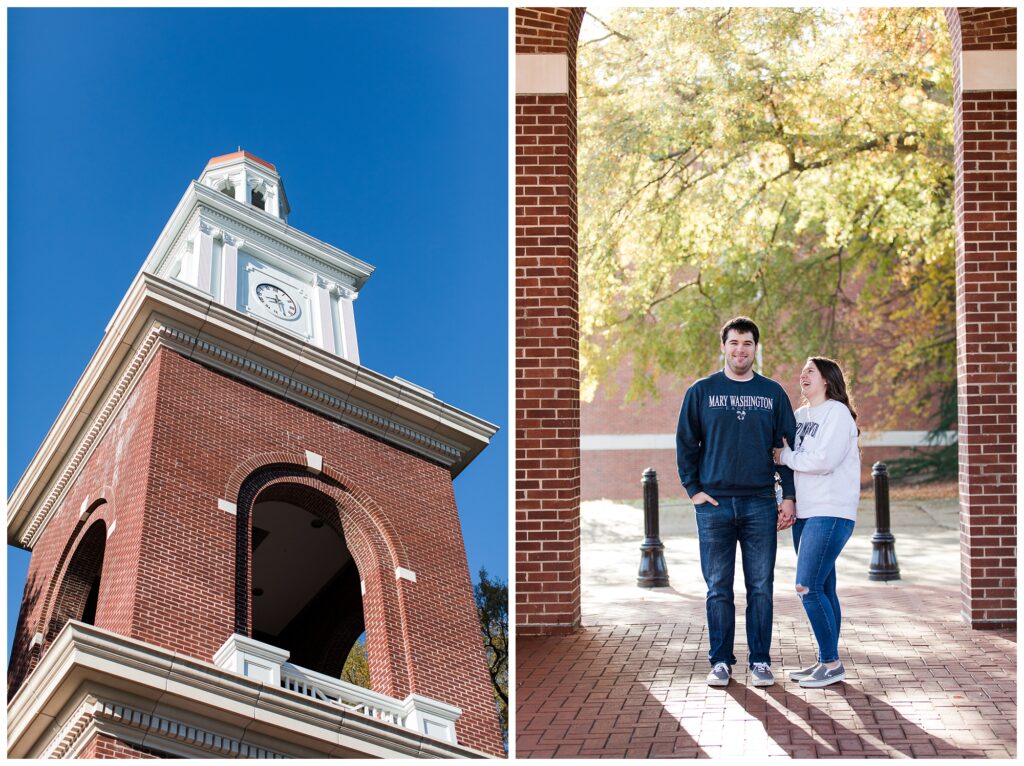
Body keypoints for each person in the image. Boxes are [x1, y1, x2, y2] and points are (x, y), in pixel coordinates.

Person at [676, 316, 796, 687]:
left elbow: (788, 448)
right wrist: (693, 490)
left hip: (760, 502)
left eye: (747, 344)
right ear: (723, 347)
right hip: (714, 506)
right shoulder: (701, 391)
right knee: (718, 587)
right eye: (734, 343)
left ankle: (760, 661)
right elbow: (686, 443)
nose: (740, 350)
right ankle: (721, 661)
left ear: (755, 349)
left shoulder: (772, 393)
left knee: (761, 586)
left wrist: (789, 496)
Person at [777, 356, 860, 688]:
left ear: (827, 379)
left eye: (810, 370)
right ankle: (827, 660)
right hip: (807, 513)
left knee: (806, 586)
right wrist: (789, 500)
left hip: (832, 511)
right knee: (824, 588)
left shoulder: (838, 414)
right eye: (803, 371)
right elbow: (796, 466)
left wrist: (784, 456)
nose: (803, 375)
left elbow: (824, 461)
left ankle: (832, 662)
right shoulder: (800, 416)